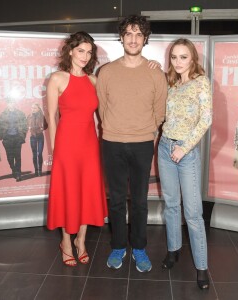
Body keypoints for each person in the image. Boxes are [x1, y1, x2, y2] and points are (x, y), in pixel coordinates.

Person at [97, 15, 167, 273]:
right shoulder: (106, 72)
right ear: (122, 38)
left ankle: (139, 247)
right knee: (115, 200)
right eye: (129, 34)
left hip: (142, 144)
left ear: (145, 38)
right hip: (112, 142)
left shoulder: (155, 73)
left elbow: (160, 111)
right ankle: (118, 246)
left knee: (139, 201)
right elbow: (103, 110)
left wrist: (143, 130)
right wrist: (117, 128)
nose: (133, 39)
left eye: (138, 34)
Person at [46, 31, 108, 267]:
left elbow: (102, 115)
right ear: (70, 51)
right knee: (67, 191)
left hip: (89, 144)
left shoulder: (93, 80)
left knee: (86, 191)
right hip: (66, 145)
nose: (85, 55)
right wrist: (55, 150)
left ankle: (81, 240)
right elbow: (51, 117)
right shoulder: (57, 78)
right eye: (81, 50)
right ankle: (66, 241)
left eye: (89, 52)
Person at [157, 38, 212, 290]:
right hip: (165, 146)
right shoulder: (171, 84)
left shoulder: (201, 83)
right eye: (174, 57)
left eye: (183, 57)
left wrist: (184, 147)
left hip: (186, 152)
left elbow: (205, 120)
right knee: (170, 205)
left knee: (193, 213)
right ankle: (173, 250)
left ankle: (202, 267)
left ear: (193, 59)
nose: (178, 62)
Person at [0, 99, 28, 182]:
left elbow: (25, 124)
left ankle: (18, 174)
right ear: (7, 104)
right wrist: (3, 136)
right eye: (9, 103)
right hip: (7, 138)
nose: (11, 104)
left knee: (18, 156)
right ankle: (14, 170)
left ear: (15, 103)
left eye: (12, 102)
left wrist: (22, 135)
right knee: (10, 157)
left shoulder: (20, 113)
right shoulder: (3, 115)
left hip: (17, 137)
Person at [27, 103, 48, 176]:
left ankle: (40, 170)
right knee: (34, 154)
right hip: (33, 137)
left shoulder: (42, 116)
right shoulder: (29, 116)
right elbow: (26, 125)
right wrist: (28, 128)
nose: (33, 109)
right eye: (32, 108)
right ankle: (36, 170)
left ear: (38, 109)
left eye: (35, 108)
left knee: (39, 153)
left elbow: (46, 125)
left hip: (40, 137)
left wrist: (42, 128)